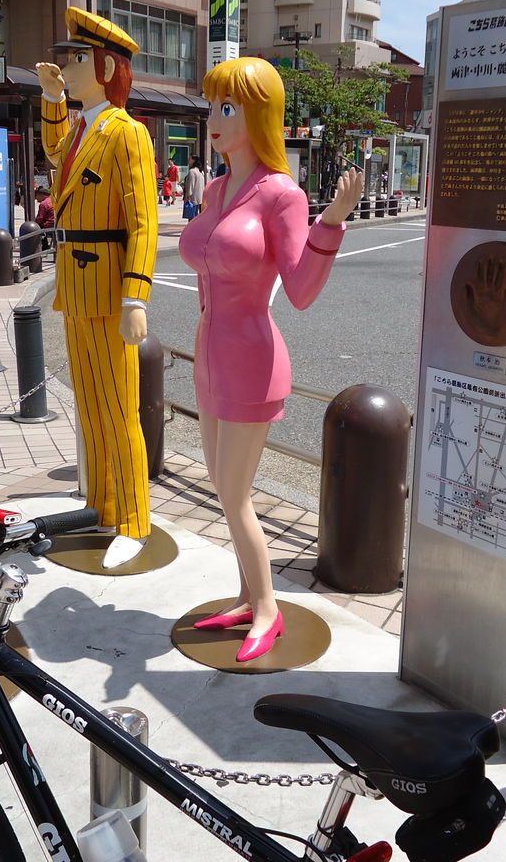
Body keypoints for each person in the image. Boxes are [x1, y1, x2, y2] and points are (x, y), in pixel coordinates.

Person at [177, 57, 361, 662]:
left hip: (253, 358)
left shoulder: (281, 194)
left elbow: (301, 291)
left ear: (259, 115)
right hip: (209, 354)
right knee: (222, 487)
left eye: (226, 108)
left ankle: (268, 609)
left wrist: (329, 223)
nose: (213, 120)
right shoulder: (215, 188)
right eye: (211, 107)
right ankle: (244, 592)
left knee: (234, 495)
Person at [36, 5, 159, 569]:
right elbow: (55, 151)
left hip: (110, 288)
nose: (66, 65)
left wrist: (137, 293)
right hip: (77, 288)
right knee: (90, 407)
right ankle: (101, 503)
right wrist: (54, 99)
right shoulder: (84, 128)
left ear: (106, 67)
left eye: (77, 58)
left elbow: (143, 220)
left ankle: (134, 517)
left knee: (120, 409)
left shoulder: (128, 134)